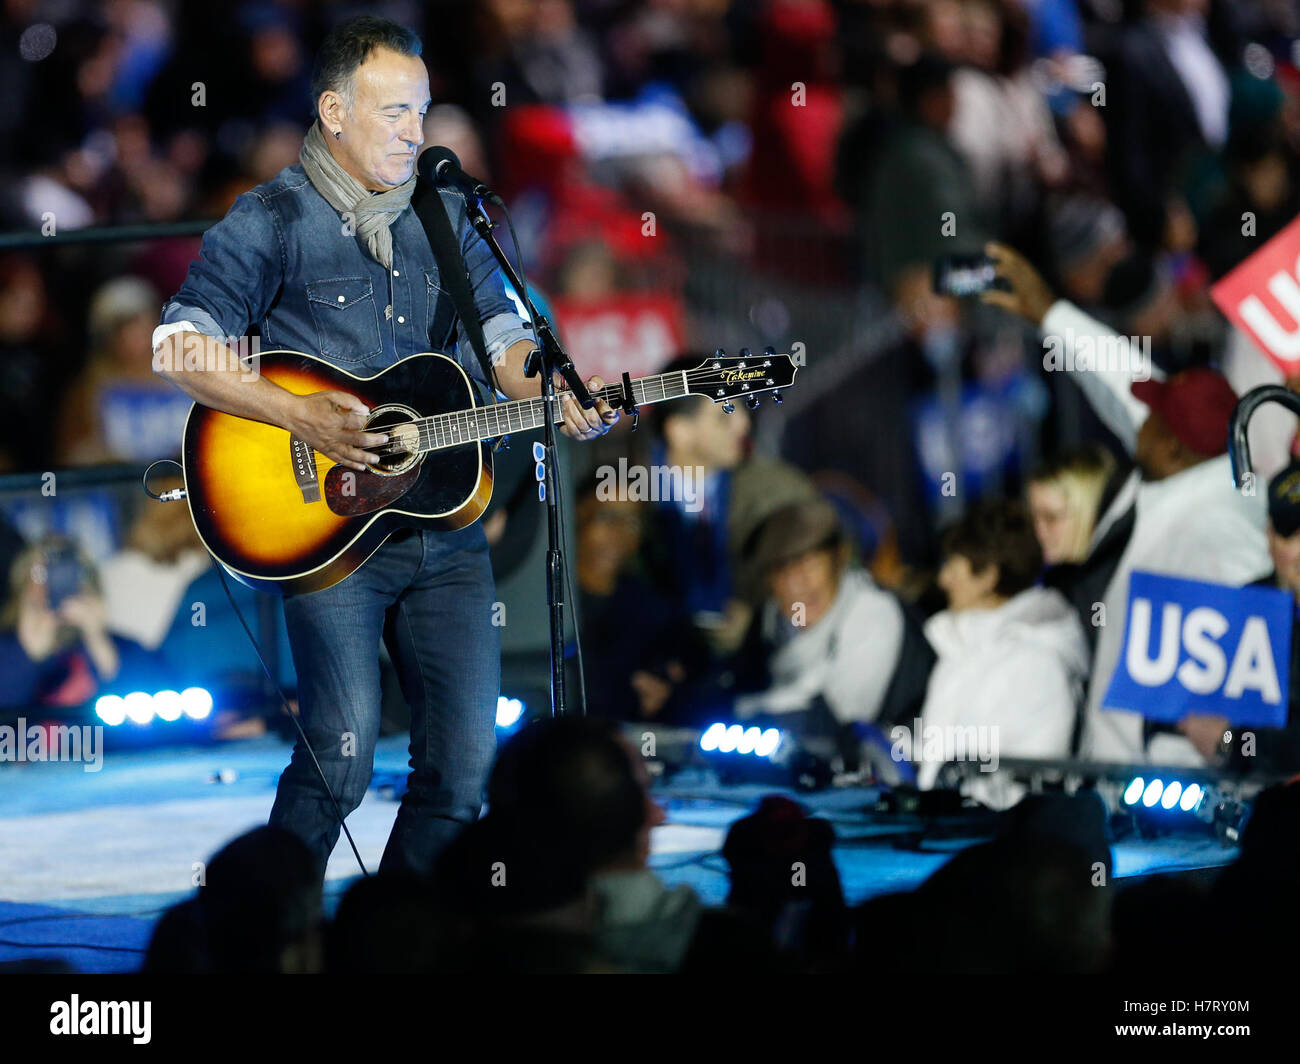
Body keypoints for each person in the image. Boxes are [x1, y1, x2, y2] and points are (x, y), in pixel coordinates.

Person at [151, 16, 617, 879]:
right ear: (334, 111)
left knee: (463, 770)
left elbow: (505, 338)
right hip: (326, 528)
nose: (416, 131)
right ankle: (261, 929)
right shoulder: (272, 218)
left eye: (424, 110)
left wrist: (547, 386)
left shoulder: (446, 213)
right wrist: (300, 419)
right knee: (342, 757)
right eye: (394, 111)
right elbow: (177, 346)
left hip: (445, 520)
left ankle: (395, 935)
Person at [983, 241, 1270, 766]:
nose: (1138, 415)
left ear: (1173, 447)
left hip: (1163, 807)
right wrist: (1050, 311)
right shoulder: (1190, 456)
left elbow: (1237, 703)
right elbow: (1117, 377)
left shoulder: (1227, 541)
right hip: (1107, 773)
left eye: (1152, 417)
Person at [639, 354, 820, 657]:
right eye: (725, 414)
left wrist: (761, 619)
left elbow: (819, 579)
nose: (743, 424)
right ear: (680, 431)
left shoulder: (777, 491)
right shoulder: (627, 499)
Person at [916, 499, 1088, 810]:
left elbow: (1032, 782)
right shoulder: (956, 651)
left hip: (1001, 848)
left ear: (988, 577)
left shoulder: (1039, 664)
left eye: (954, 567)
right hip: (940, 842)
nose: (943, 580)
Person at [732, 499, 934, 743]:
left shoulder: (873, 614)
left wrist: (747, 716)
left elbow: (837, 724)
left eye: (810, 564)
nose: (798, 585)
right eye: (783, 571)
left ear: (840, 558)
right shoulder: (766, 626)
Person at [1177, 460, 1300, 776]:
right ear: (1269, 538)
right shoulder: (1243, 607)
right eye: (1291, 535)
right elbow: (1192, 711)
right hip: (1259, 806)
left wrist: (1231, 740)